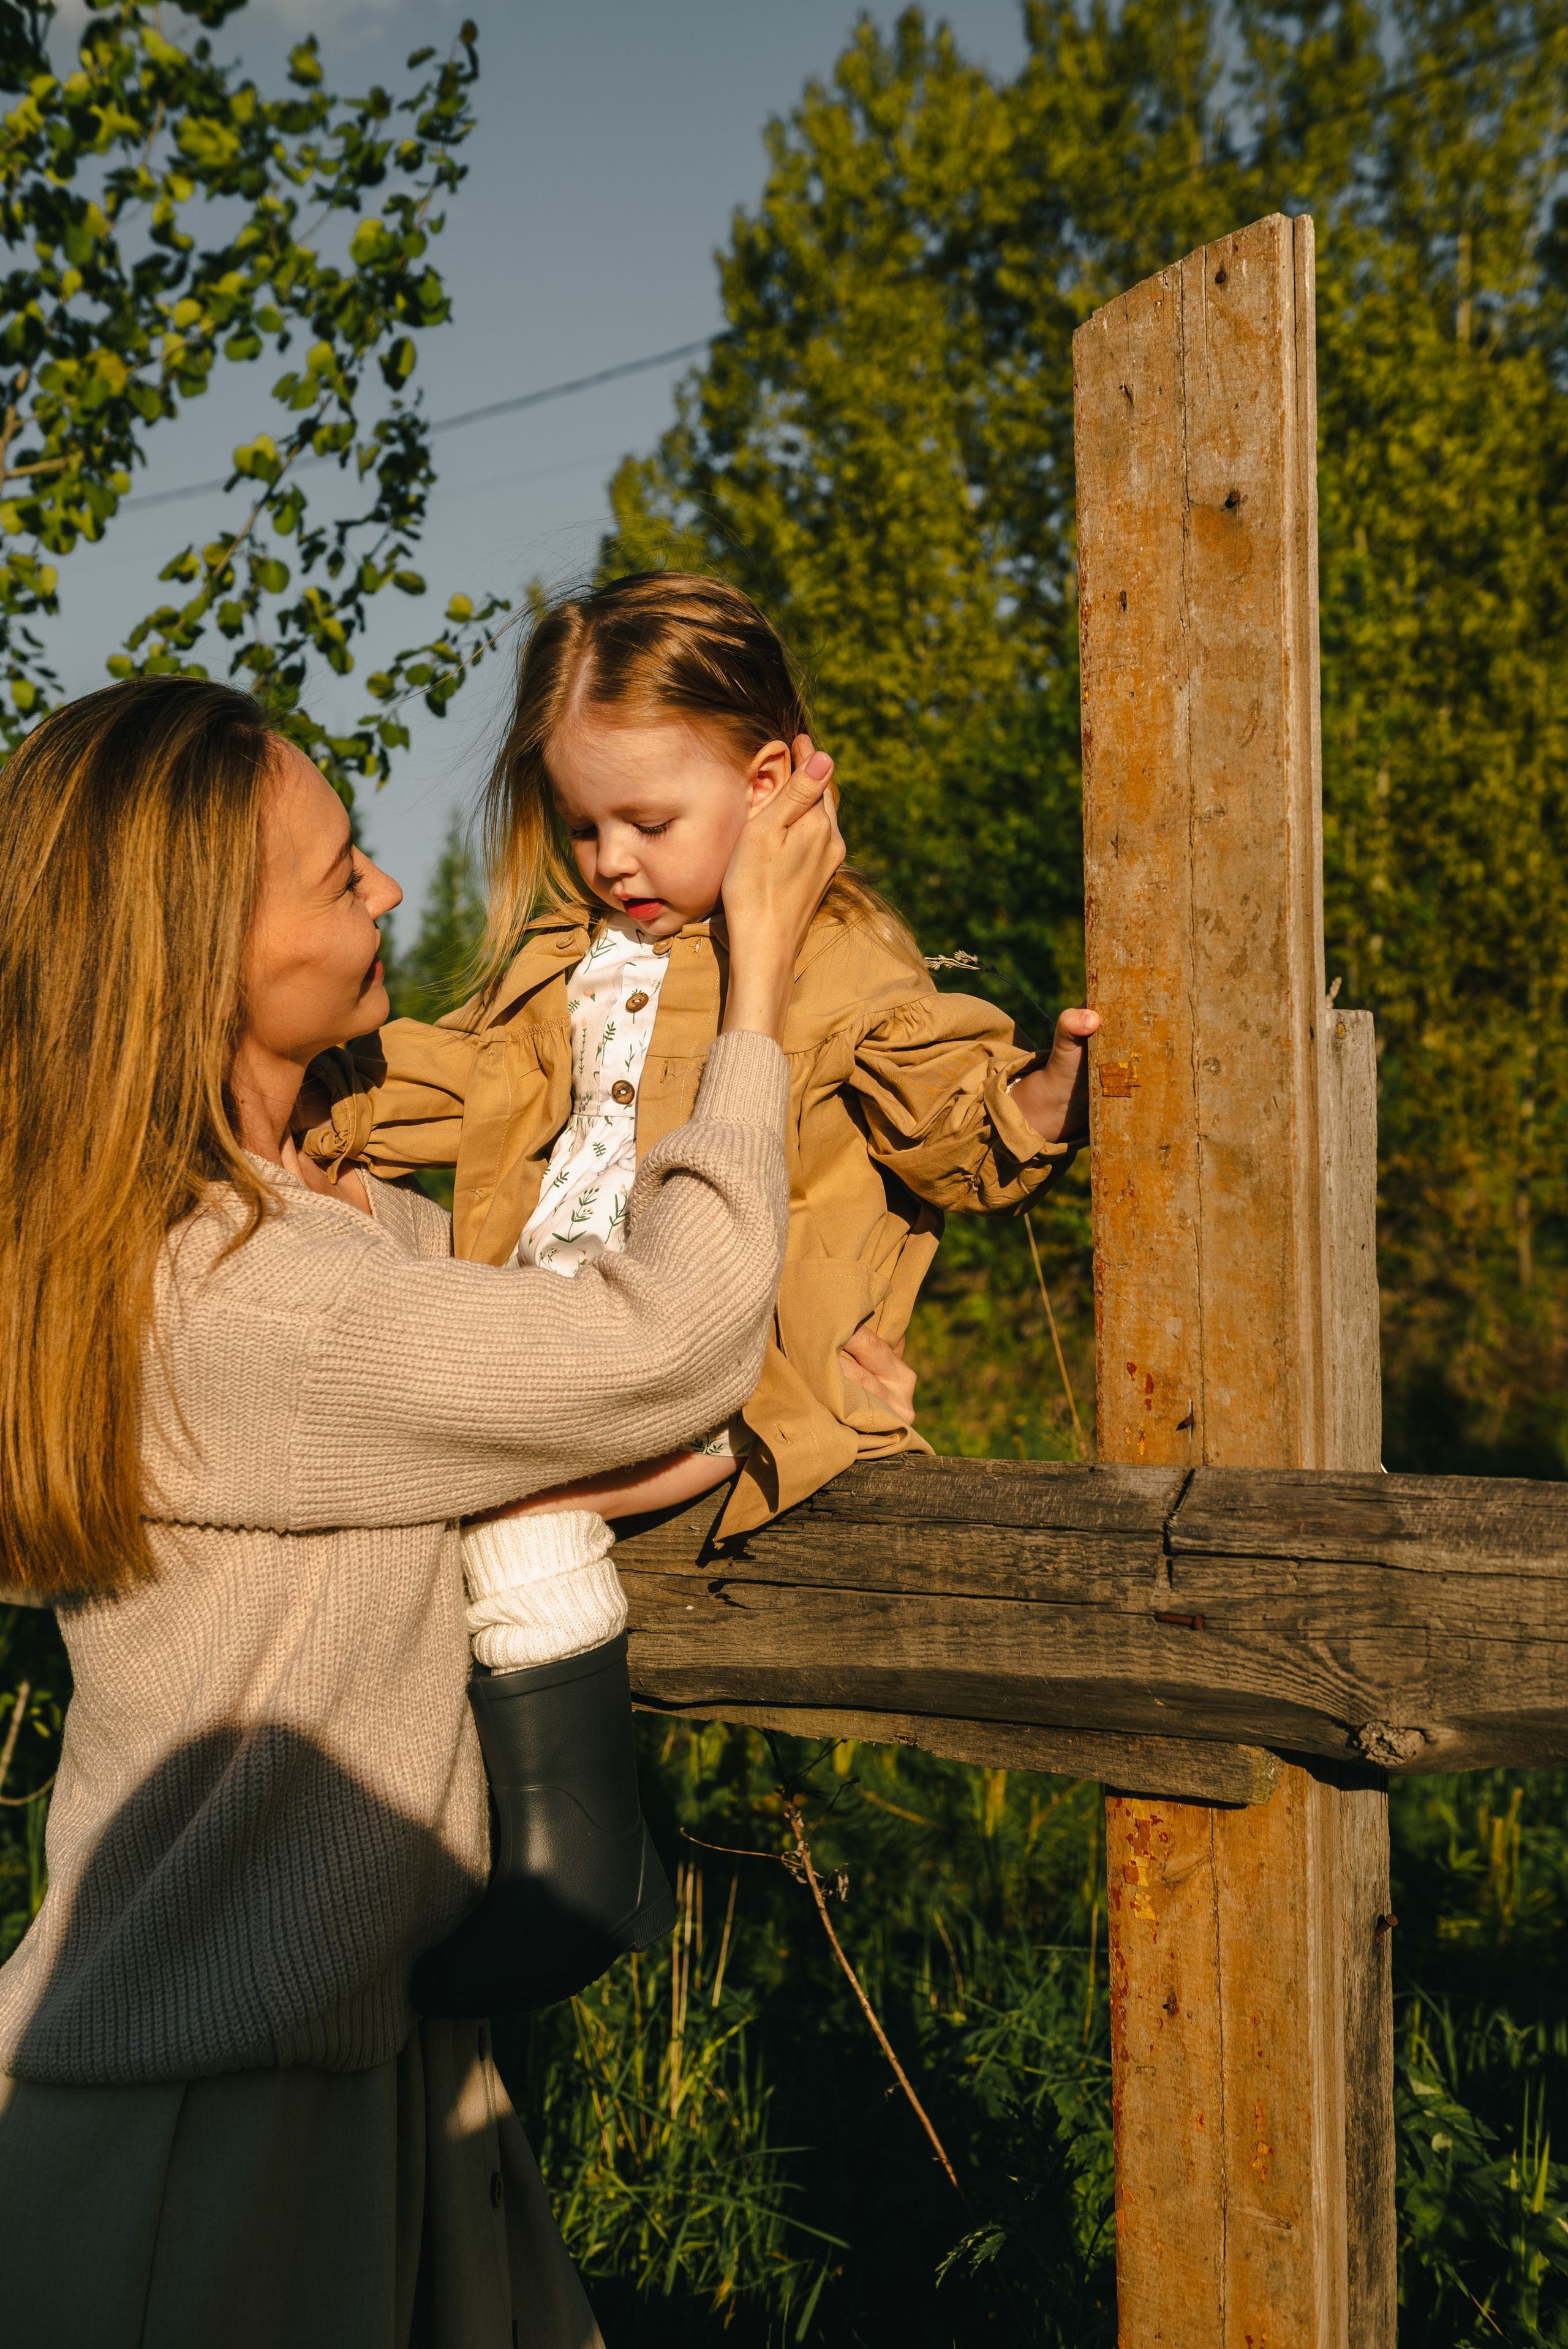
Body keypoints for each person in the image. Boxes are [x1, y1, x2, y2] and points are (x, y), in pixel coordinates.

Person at [0, 672, 842, 2346]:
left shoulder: (243, 1241)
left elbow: (422, 1371)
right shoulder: (232, 1293)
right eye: (338, 872)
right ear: (198, 961)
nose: (387, 888)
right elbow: (667, 1346)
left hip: (333, 2059)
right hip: (208, 2126)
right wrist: (755, 990)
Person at [304, 571, 1100, 2019]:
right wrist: (322, 1105)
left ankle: (569, 1863)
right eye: (583, 825)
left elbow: (938, 1097)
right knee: (407, 1483)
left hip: (729, 1380)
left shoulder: (828, 954)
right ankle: (452, 1851)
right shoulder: (569, 958)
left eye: (649, 823)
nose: (612, 858)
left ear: (777, 777)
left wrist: (1041, 1095)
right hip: (572, 1343)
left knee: (496, 1508)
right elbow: (462, 1086)